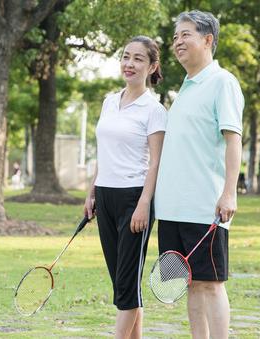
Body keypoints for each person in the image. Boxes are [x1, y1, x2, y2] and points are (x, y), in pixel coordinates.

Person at [154, 10, 244, 339]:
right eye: (175, 37)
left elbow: (233, 140)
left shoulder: (223, 82)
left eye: (185, 35)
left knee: (211, 284)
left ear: (207, 40)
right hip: (171, 209)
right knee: (189, 284)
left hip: (204, 206)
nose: (177, 42)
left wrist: (229, 192)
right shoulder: (184, 90)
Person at [84, 36, 166, 339]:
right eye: (126, 57)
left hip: (135, 198)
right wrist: (91, 191)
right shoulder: (109, 101)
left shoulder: (154, 109)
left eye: (138, 59)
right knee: (123, 284)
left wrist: (145, 202)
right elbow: (102, 153)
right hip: (105, 196)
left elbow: (155, 163)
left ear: (152, 66)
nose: (129, 64)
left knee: (127, 282)